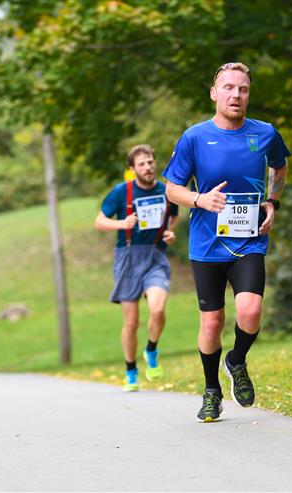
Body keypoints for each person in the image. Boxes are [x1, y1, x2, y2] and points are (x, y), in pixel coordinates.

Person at [163, 62, 290, 422]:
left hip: (249, 240)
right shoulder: (194, 137)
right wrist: (200, 199)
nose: (236, 95)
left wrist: (273, 200)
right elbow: (172, 189)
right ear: (214, 93)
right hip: (207, 245)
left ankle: (236, 360)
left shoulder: (264, 133)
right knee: (212, 322)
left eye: (243, 89)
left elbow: (279, 166)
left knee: (250, 311)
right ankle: (211, 391)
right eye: (229, 88)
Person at [94, 144, 179, 392]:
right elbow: (99, 222)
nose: (148, 167)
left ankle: (151, 349)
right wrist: (122, 224)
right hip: (128, 258)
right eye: (141, 164)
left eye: (150, 162)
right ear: (132, 169)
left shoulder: (166, 191)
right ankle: (131, 371)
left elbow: (173, 216)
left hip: (155, 257)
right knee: (131, 323)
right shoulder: (121, 192)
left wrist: (168, 232)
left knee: (158, 308)